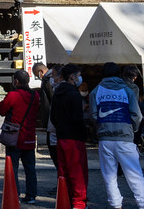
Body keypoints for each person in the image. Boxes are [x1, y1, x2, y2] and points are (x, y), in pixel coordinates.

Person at [89, 61, 144, 209]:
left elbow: (93, 115)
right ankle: (142, 204)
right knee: (135, 175)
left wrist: (101, 127)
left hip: (105, 139)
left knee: (109, 176)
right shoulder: (127, 90)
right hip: (125, 138)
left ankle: (115, 205)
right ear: (119, 74)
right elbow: (137, 116)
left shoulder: (96, 91)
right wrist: (131, 129)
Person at [0, 69, 40, 204]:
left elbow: (2, 110)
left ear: (16, 81)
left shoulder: (13, 95)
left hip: (14, 137)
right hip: (29, 136)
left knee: (12, 168)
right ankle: (31, 195)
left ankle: (14, 193)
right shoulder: (35, 96)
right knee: (30, 168)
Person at [51, 64, 88, 209]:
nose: (79, 78)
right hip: (74, 137)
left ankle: (64, 198)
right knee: (78, 171)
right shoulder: (74, 94)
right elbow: (78, 118)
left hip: (61, 135)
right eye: (78, 75)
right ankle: (79, 202)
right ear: (72, 76)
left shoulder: (57, 93)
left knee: (63, 170)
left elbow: (53, 116)